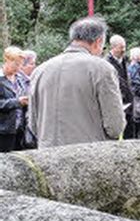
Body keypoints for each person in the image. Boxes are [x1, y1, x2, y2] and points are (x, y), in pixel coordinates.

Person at [29, 16, 125, 148]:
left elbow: (33, 124)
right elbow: (115, 126)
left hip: (47, 154)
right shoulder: (102, 69)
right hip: (88, 155)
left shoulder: (39, 70)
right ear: (99, 41)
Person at [0, 46, 28, 152]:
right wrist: (17, 102)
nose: (19, 67)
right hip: (3, 131)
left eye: (21, 64)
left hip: (19, 129)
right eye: (16, 64)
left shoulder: (20, 78)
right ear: (7, 60)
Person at [106, 35, 134, 139]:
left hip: (129, 102)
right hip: (117, 102)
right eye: (121, 47)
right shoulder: (106, 63)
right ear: (113, 47)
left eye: (124, 47)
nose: (124, 50)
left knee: (129, 133)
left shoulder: (124, 61)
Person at [16, 49, 37, 150]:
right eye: (32, 63)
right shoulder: (18, 78)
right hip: (18, 124)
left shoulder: (30, 78)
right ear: (23, 65)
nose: (34, 66)